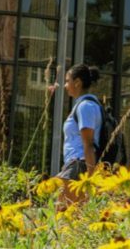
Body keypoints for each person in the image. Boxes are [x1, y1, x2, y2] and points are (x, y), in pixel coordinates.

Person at [55, 64, 103, 203]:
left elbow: (88, 144)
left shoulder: (85, 107)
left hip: (78, 166)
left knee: (63, 210)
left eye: (67, 81)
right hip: (76, 165)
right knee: (72, 213)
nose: (65, 85)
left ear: (77, 82)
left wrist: (89, 179)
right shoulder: (85, 105)